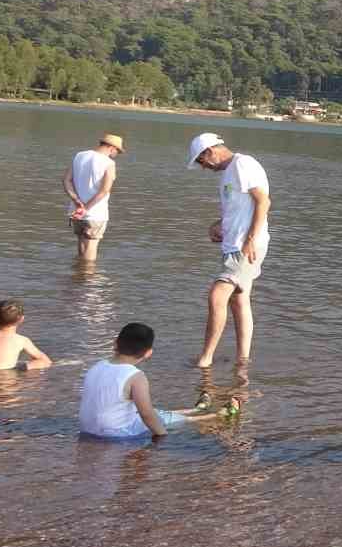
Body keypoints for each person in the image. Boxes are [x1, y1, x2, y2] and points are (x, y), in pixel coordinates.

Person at [187, 133, 271, 368]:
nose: (204, 168)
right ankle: (243, 360)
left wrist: (250, 240)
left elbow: (263, 202)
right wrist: (218, 225)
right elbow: (237, 209)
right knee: (239, 300)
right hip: (233, 245)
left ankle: (205, 359)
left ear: (210, 151)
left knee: (217, 296)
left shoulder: (243, 164)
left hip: (246, 246)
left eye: (202, 162)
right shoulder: (229, 173)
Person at [79, 323, 212, 438]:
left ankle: (197, 409)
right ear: (149, 353)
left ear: (115, 343)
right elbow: (146, 414)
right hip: (118, 434)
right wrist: (162, 435)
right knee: (161, 418)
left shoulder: (96, 366)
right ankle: (211, 416)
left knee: (154, 412)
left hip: (89, 431)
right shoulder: (135, 376)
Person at [62, 134, 124, 261]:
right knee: (90, 252)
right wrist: (86, 208)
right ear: (111, 147)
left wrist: (76, 201)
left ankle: (78, 277)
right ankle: (87, 278)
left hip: (76, 211)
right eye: (117, 151)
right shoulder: (109, 163)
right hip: (95, 214)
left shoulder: (80, 156)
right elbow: (104, 191)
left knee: (81, 248)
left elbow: (66, 180)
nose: (116, 154)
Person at [0, 299, 52, 371]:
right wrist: (24, 367)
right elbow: (46, 361)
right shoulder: (21, 340)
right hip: (5, 377)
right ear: (21, 319)